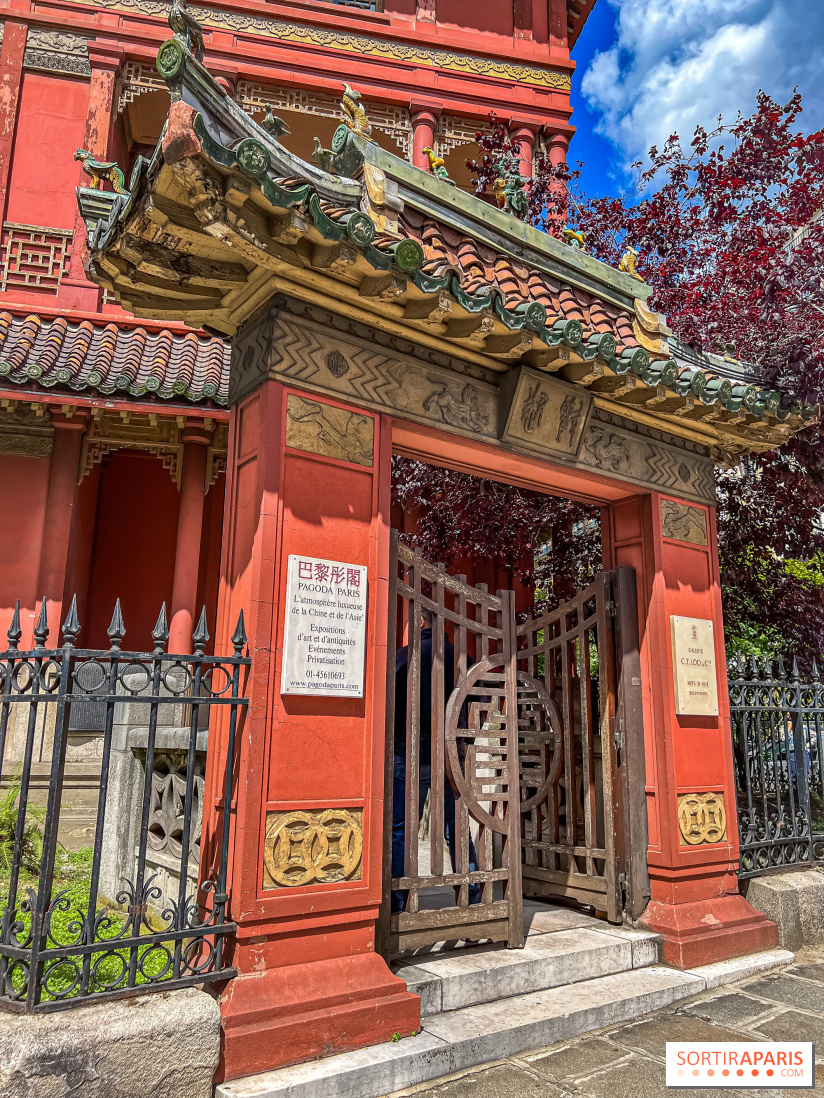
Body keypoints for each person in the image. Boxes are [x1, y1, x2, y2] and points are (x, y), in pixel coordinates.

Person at [392, 607, 481, 914]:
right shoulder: (463, 661)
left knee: (401, 829)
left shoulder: (403, 657)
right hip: (449, 758)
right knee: (456, 829)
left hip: (409, 753)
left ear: (420, 621)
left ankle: (397, 901)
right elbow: (478, 707)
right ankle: (470, 895)